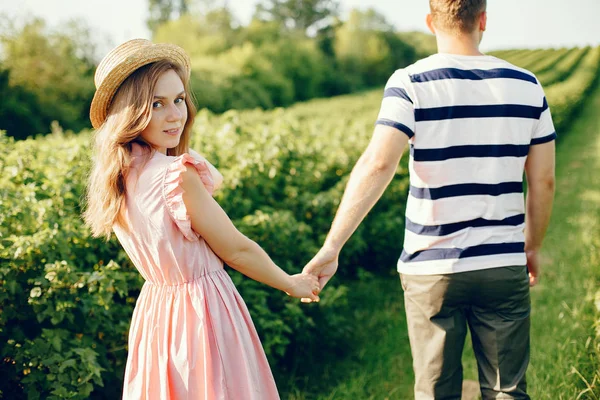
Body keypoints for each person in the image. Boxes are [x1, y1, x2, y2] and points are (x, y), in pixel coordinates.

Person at [303, 1, 556, 399]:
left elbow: (377, 164)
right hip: (502, 263)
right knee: (508, 391)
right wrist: (533, 246)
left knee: (436, 391)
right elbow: (543, 180)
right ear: (483, 20)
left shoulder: (410, 82)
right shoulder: (527, 85)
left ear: (429, 22)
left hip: (432, 267)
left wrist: (332, 245)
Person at [83, 39, 320, 399]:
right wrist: (291, 283)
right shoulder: (176, 176)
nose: (176, 114)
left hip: (157, 315)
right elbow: (237, 250)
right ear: (130, 112)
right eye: (156, 104)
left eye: (179, 99)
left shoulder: (118, 176)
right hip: (201, 312)